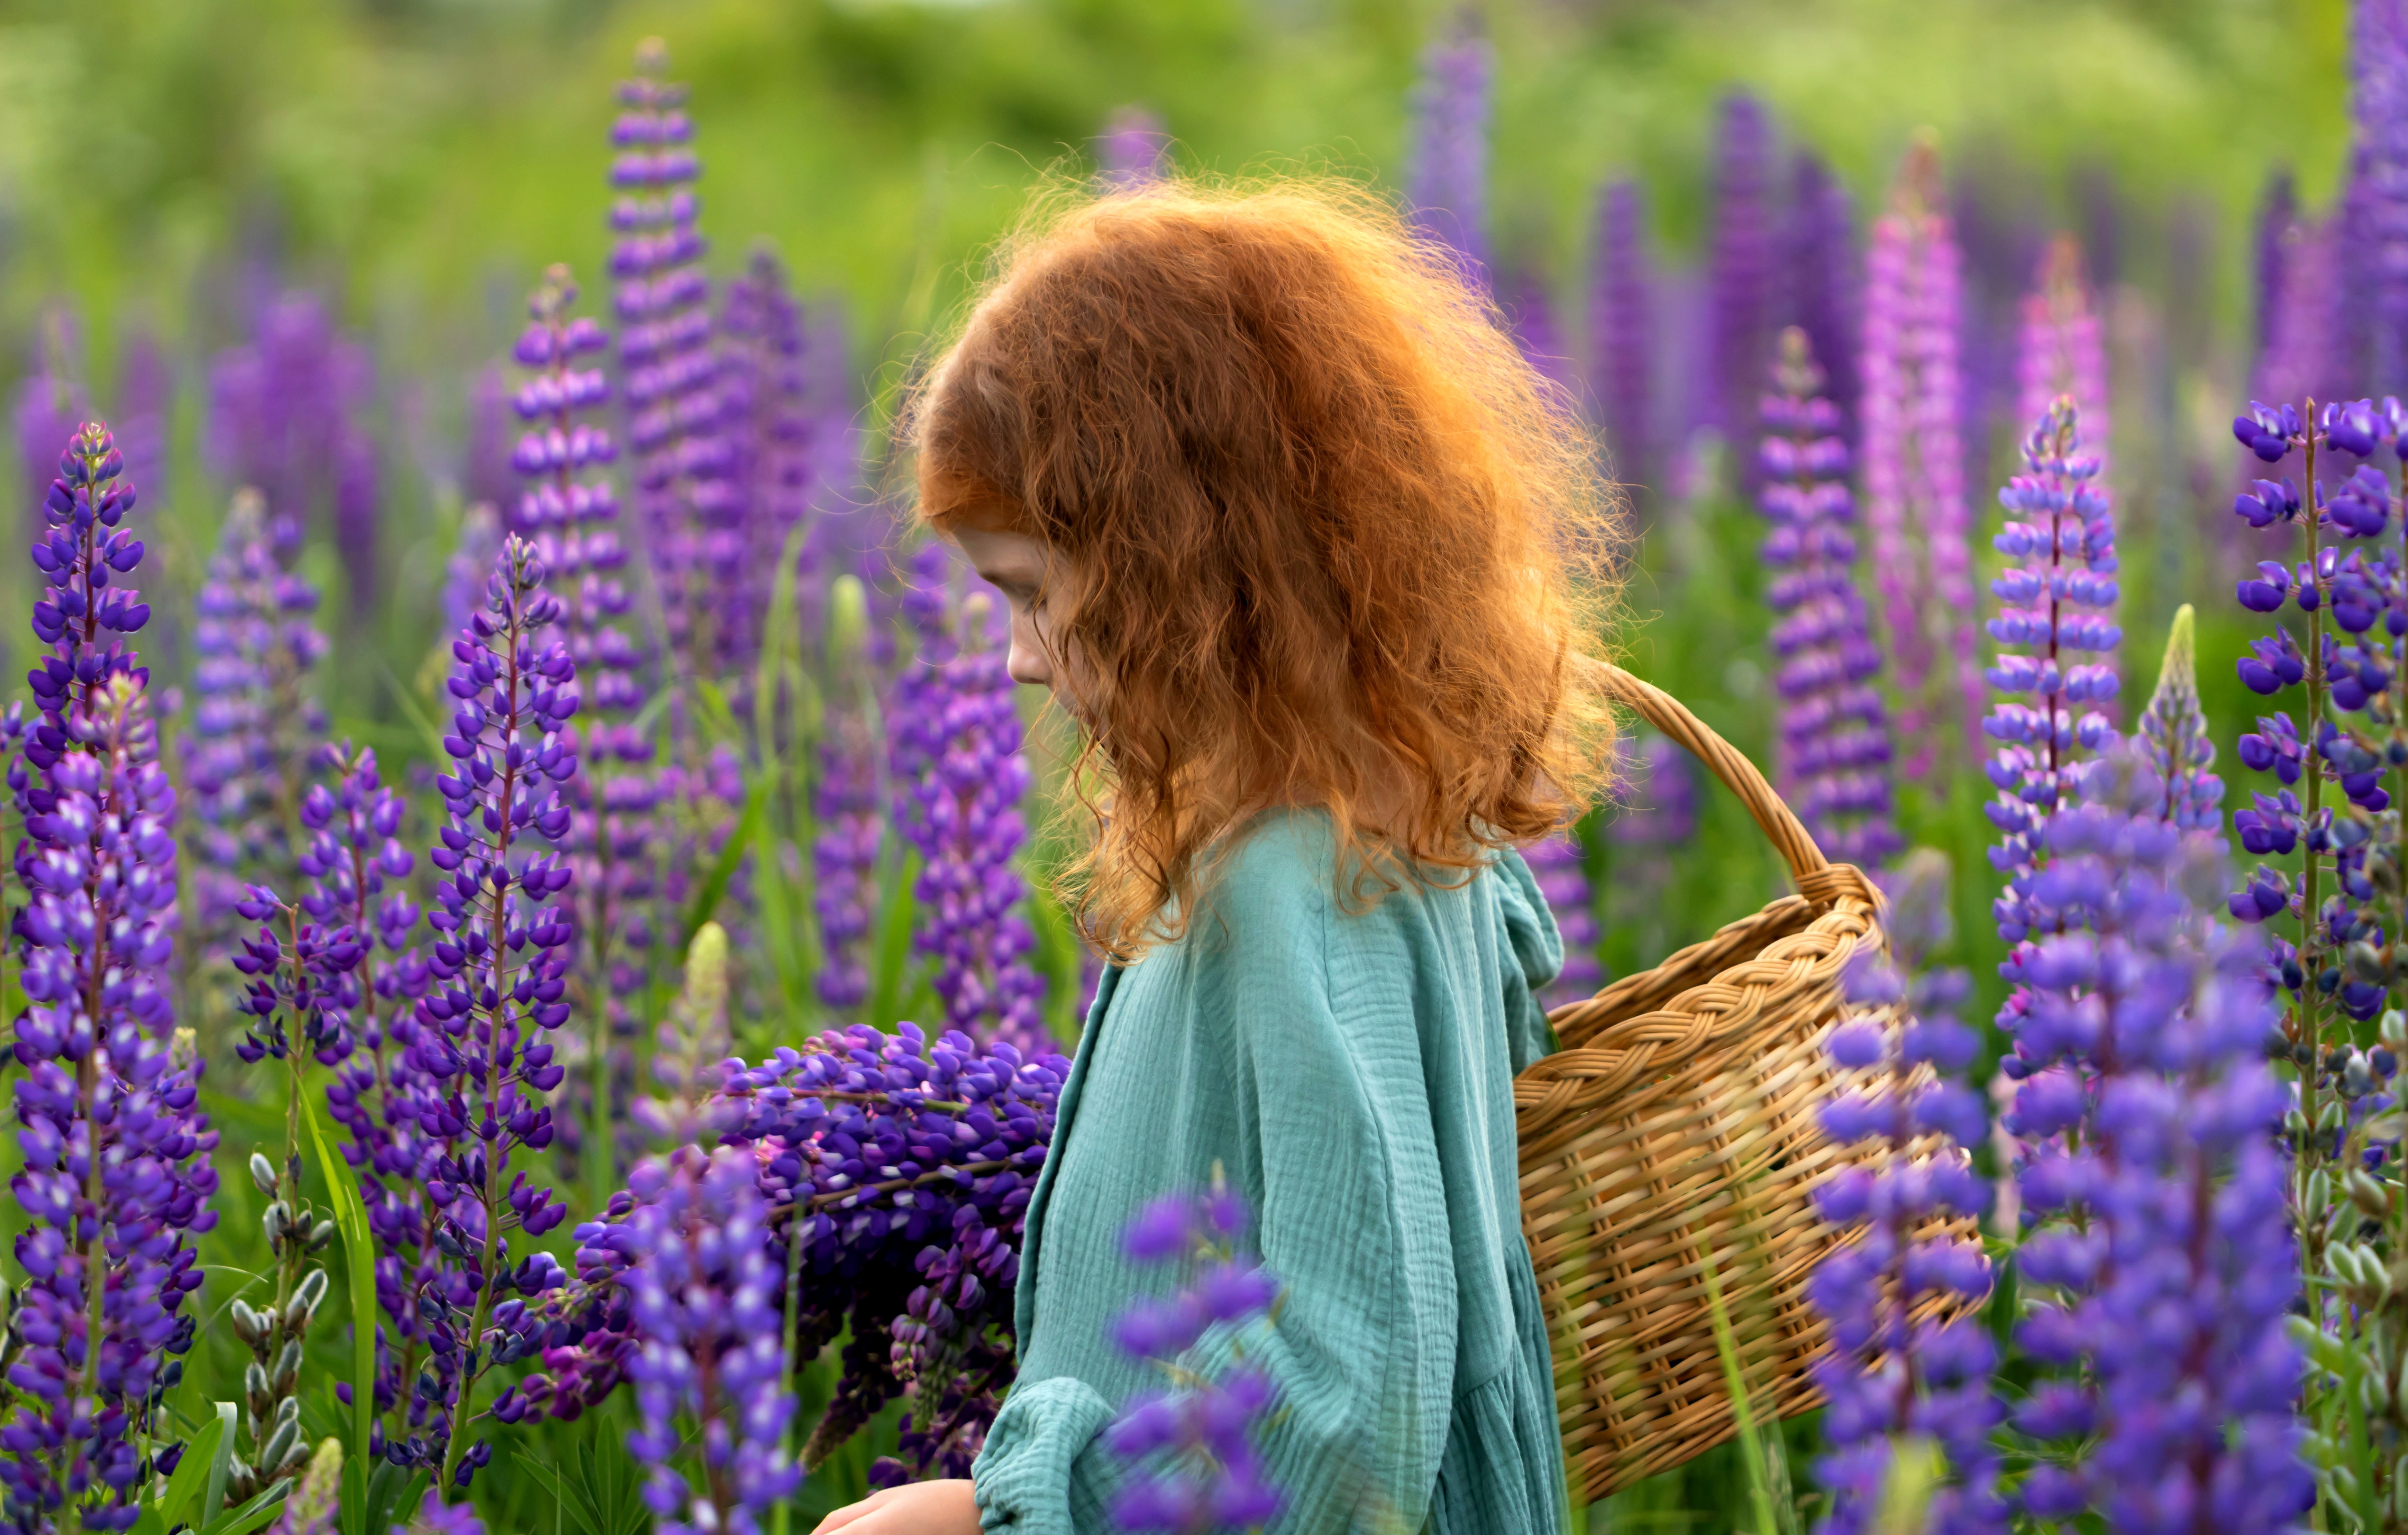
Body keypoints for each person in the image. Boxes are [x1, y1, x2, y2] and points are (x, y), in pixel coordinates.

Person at [815, 177, 1619, 1535]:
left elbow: (1354, 1400)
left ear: (1169, 567)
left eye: (1030, 591)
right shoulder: (1369, 829)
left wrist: (997, 1511)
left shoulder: (1304, 881)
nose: (1015, 659)